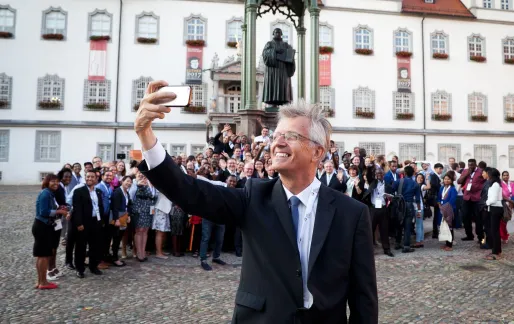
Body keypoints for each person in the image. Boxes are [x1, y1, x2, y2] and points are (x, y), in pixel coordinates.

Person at [135, 81, 377, 323]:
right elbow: (191, 193)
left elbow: (363, 299)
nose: (278, 143)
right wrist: (145, 135)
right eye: (277, 135)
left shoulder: (351, 214)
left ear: (317, 152)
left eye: (291, 136)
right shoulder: (253, 197)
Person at [33, 174, 68, 289]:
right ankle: (43, 282)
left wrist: (59, 209)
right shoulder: (45, 193)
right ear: (47, 182)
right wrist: (59, 212)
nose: (56, 184)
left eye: (57, 182)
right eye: (53, 181)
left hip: (44, 226)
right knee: (43, 256)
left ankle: (40, 281)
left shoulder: (50, 193)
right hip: (43, 226)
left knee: (41, 255)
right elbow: (44, 212)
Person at [70, 170, 106, 278]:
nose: (90, 178)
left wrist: (101, 221)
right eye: (88, 177)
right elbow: (77, 209)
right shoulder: (79, 191)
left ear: (96, 179)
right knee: (81, 246)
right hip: (84, 222)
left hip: (96, 221)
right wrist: (79, 223)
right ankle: (80, 269)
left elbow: (100, 207)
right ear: (85, 178)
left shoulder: (98, 191)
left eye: (92, 177)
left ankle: (93, 266)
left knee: (95, 245)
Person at [363, 163, 393, 257]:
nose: (379, 175)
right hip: (373, 208)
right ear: (375, 175)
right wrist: (368, 167)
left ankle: (386, 249)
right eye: (377, 174)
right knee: (370, 229)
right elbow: (368, 176)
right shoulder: (373, 183)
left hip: (383, 209)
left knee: (384, 229)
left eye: (380, 174)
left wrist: (390, 198)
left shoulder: (387, 185)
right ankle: (369, 250)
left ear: (383, 175)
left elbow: (391, 197)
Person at [391, 166, 421, 253]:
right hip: (409, 204)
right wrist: (419, 211)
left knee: (398, 224)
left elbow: (392, 190)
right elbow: (418, 199)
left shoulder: (398, 181)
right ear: (413, 174)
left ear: (404, 173)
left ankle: (397, 243)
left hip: (399, 205)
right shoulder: (415, 184)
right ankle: (406, 246)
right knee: (408, 226)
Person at [457, 159, 486, 243]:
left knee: (478, 218)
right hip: (467, 197)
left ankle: (481, 238)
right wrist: (466, 174)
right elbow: (459, 181)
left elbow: (486, 181)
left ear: (476, 165)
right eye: (469, 165)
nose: (471, 166)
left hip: (477, 198)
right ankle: (469, 235)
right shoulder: (465, 171)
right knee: (465, 216)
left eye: (472, 165)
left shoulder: (481, 171)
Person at [110, 176, 132, 266]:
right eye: (127, 181)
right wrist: (116, 220)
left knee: (119, 238)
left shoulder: (127, 192)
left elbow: (128, 205)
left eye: (130, 182)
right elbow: (114, 207)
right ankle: (114, 259)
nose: (129, 183)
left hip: (124, 217)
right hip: (117, 218)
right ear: (122, 181)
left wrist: (129, 215)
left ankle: (115, 257)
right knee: (116, 238)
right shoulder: (117, 192)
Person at [485, 169, 504, 260]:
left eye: (488, 174)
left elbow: (493, 199)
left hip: (496, 208)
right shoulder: (494, 184)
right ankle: (497, 250)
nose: (487, 176)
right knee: (494, 231)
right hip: (493, 208)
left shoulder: (495, 185)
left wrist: (486, 202)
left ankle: (496, 252)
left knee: (495, 231)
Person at [438, 172, 458, 251]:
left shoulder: (453, 189)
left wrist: (444, 208)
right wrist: (439, 204)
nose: (446, 180)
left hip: (449, 210)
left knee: (449, 227)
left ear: (451, 180)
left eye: (448, 179)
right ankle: (446, 243)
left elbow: (452, 201)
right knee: (444, 227)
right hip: (442, 209)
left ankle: (450, 244)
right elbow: (439, 197)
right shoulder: (441, 188)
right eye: (445, 179)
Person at [413, 173, 427, 248]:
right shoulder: (415, 185)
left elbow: (428, 187)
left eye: (421, 178)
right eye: (418, 177)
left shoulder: (422, 186)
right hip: (419, 207)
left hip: (418, 208)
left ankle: (418, 241)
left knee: (418, 225)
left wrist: (428, 179)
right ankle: (421, 240)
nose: (420, 179)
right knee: (420, 225)